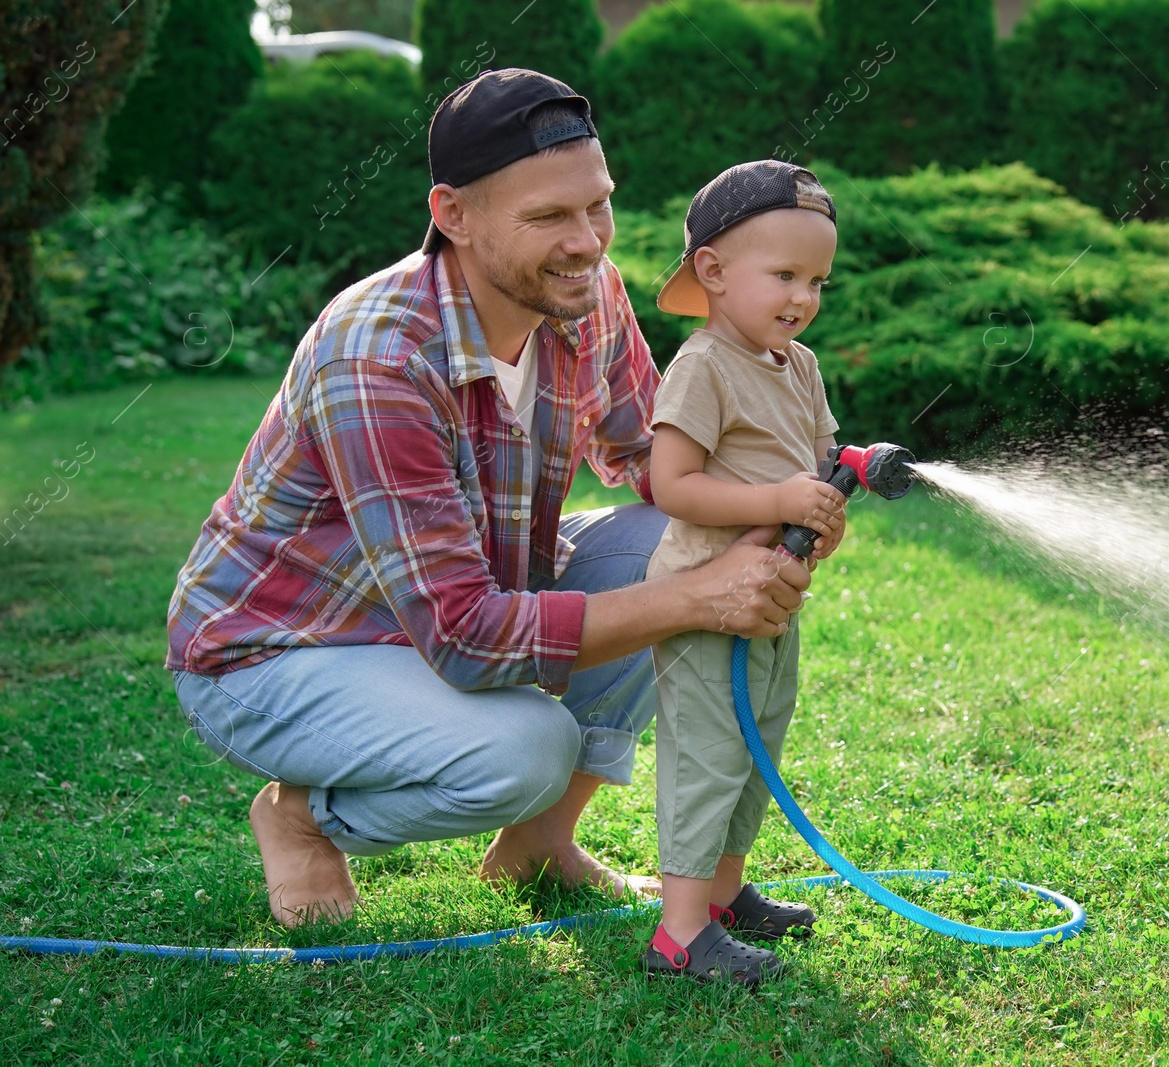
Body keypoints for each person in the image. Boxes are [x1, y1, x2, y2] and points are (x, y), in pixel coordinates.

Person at [165, 70, 815, 928]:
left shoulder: (584, 292)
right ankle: (299, 814)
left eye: (598, 206)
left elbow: (653, 463)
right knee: (525, 748)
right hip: (279, 651)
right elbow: (466, 635)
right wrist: (698, 593)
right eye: (548, 217)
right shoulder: (379, 357)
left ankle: (538, 844)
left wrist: (775, 507)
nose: (586, 242)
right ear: (453, 215)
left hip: (444, 605)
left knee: (678, 537)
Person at [639, 160, 849, 985]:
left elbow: (823, 462)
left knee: (760, 746)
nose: (802, 297)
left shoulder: (799, 366)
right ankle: (681, 934)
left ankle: (724, 900)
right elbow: (671, 484)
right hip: (703, 602)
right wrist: (780, 494)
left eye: (818, 280)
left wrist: (824, 510)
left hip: (771, 599)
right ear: (715, 273)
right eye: (785, 274)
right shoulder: (703, 364)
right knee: (710, 758)